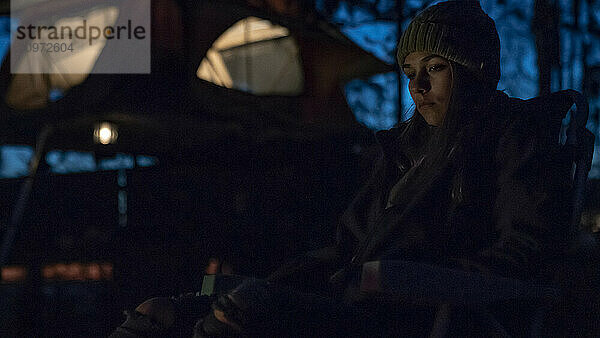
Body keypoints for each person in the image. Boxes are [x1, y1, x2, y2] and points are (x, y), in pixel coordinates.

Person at [111, 1, 575, 336]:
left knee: (244, 316)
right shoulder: (404, 151)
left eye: (436, 67)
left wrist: (413, 276)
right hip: (350, 302)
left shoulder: (514, 138)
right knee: (159, 313)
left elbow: (527, 249)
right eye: (409, 69)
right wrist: (259, 285)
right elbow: (343, 251)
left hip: (416, 314)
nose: (417, 83)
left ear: (473, 70)